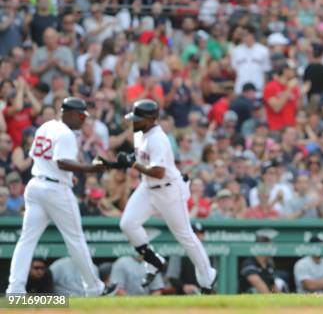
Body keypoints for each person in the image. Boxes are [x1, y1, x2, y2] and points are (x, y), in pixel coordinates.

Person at [6, 97, 112, 296]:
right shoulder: (65, 133)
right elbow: (62, 162)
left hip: (37, 185)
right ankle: (94, 287)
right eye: (81, 116)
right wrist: (89, 167)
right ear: (70, 113)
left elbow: (44, 158)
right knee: (76, 239)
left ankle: (15, 289)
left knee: (27, 240)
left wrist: (67, 176)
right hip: (55, 191)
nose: (83, 120)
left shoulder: (46, 126)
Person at [109, 99, 217, 291]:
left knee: (184, 235)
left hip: (168, 189)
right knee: (127, 223)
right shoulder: (140, 133)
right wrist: (120, 162)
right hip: (147, 187)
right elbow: (142, 158)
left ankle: (207, 276)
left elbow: (158, 171)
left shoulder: (159, 138)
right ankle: (153, 260)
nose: (133, 122)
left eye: (138, 119)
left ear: (151, 119)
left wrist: (132, 164)